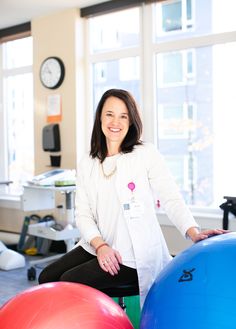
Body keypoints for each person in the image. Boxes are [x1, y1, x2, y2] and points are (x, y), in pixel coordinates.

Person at [38, 88, 227, 307]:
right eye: (109, 114)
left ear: (131, 121)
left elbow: (170, 197)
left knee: (68, 283)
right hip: (99, 245)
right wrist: (100, 246)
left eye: (123, 116)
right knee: (47, 279)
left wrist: (193, 231)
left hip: (133, 255)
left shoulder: (145, 153)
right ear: (100, 116)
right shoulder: (87, 162)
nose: (115, 122)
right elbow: (83, 214)